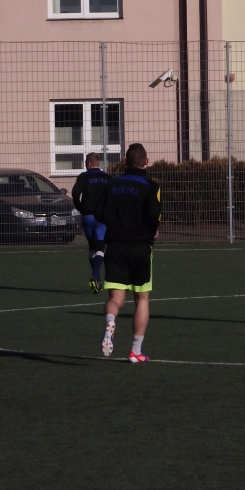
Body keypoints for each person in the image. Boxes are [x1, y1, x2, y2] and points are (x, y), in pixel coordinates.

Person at [98, 143, 162, 363]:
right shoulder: (151, 186)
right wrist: (153, 230)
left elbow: (101, 213)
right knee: (142, 298)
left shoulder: (112, 185)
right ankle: (136, 351)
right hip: (140, 247)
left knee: (115, 298)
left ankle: (110, 320)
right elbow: (154, 214)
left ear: (125, 162)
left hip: (115, 246)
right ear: (146, 162)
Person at [71, 153, 112, 293]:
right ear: (97, 163)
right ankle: (96, 276)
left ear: (89, 164)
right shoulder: (107, 178)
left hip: (88, 216)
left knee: (92, 247)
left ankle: (97, 279)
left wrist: (79, 206)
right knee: (100, 247)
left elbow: (75, 193)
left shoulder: (84, 177)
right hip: (102, 217)